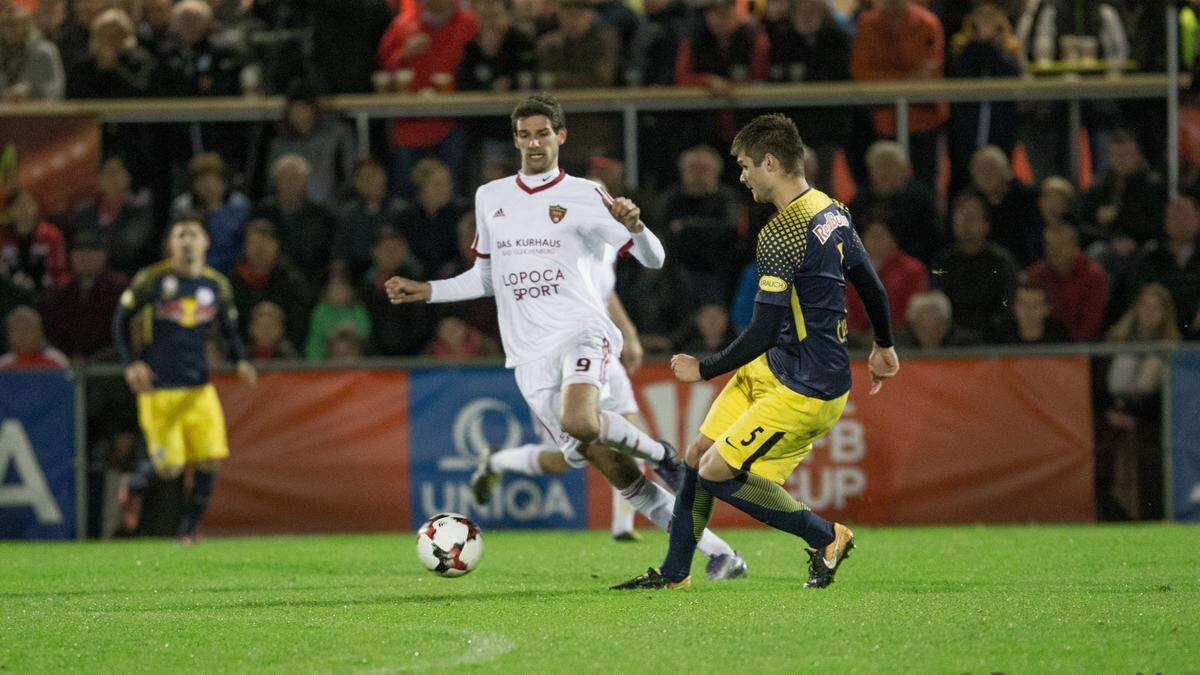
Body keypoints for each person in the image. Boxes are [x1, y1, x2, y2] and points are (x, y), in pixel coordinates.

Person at [387, 93, 745, 576]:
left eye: (542, 133)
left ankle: (665, 456)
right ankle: (722, 554)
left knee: (579, 420)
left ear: (560, 136)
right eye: (524, 135)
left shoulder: (584, 193)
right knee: (617, 473)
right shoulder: (491, 197)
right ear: (515, 140)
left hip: (581, 332)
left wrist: (637, 229)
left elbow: (654, 259)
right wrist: (426, 290)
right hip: (527, 358)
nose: (533, 143)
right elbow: (487, 279)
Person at [613, 113, 899, 591]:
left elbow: (762, 328)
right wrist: (885, 345)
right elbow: (868, 282)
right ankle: (674, 575)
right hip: (776, 368)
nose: (741, 176)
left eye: (746, 166)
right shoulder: (831, 210)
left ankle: (827, 535)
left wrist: (704, 368)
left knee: (718, 473)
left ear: (770, 162)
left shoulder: (782, 233)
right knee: (696, 456)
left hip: (807, 386)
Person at [112, 217, 257, 544]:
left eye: (194, 234)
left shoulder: (216, 284)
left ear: (206, 242)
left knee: (209, 460)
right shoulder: (152, 280)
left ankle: (187, 531)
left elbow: (230, 329)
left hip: (199, 388)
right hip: (159, 389)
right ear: (170, 244)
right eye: (181, 235)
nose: (188, 241)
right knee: (170, 469)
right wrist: (130, 363)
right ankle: (133, 484)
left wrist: (242, 360)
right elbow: (120, 320)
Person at [39, 230, 129, 361]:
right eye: (79, 253)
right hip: (65, 364)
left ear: (103, 255)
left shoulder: (120, 288)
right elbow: (48, 330)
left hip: (111, 365)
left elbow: (126, 330)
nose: (85, 258)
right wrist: (68, 356)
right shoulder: (57, 291)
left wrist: (98, 358)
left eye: (91, 252)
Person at [0, 305, 68, 369]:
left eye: (26, 329)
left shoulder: (57, 361)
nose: (21, 335)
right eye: (15, 330)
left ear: (39, 333)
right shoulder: (3, 364)